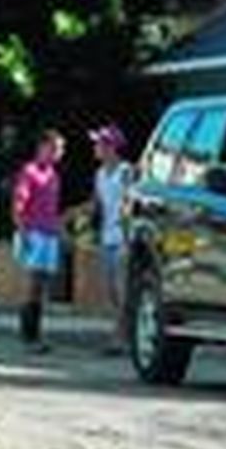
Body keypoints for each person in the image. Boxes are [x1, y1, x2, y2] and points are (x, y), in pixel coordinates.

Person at [12, 129, 67, 354]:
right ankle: (29, 336)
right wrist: (23, 232)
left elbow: (52, 208)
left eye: (60, 149)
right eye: (55, 148)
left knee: (43, 286)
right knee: (33, 285)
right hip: (34, 233)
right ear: (42, 147)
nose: (58, 153)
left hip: (50, 234)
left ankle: (37, 334)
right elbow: (18, 204)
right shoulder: (30, 171)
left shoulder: (54, 175)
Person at [91, 124, 134, 355]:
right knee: (111, 291)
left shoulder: (126, 171)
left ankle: (121, 337)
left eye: (99, 144)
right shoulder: (99, 174)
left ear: (111, 147)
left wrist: (128, 232)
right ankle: (122, 333)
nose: (95, 148)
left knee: (122, 288)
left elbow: (131, 201)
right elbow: (98, 205)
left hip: (122, 238)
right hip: (107, 237)